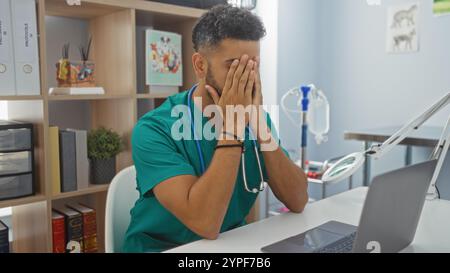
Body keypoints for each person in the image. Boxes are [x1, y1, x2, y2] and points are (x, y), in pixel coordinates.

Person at [123, 4, 308, 253]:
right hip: (163, 249)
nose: (246, 77)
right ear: (200, 65)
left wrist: (259, 126)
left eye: (253, 65)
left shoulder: (256, 118)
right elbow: (205, 224)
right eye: (234, 66)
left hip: (230, 246)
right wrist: (231, 129)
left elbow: (297, 200)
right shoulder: (154, 129)